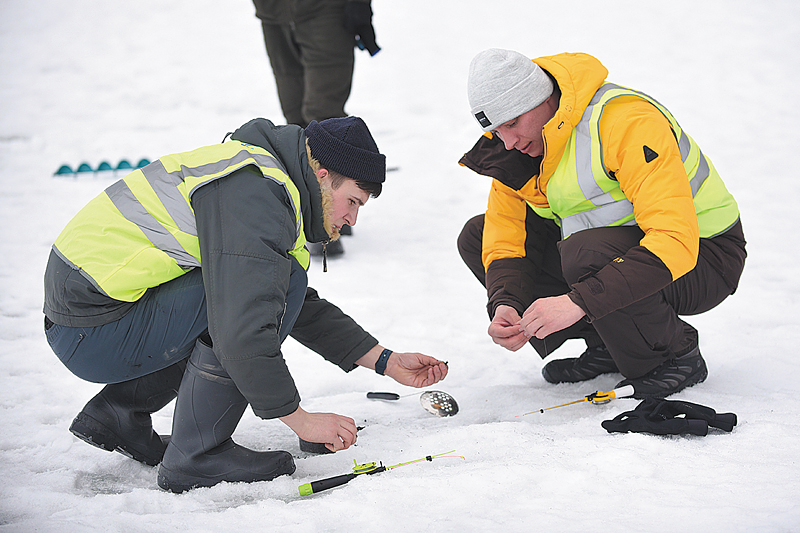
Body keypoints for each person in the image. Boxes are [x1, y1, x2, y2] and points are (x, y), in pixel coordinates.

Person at [43, 115, 448, 493]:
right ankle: (198, 455)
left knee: (269, 285)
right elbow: (245, 325)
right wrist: (300, 420)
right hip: (94, 325)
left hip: (92, 318)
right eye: (353, 201)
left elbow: (291, 301)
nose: (353, 220)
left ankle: (119, 414)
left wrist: (385, 360)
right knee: (252, 297)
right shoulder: (257, 192)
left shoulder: (265, 177)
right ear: (323, 177)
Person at [457, 49, 746, 399]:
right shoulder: (515, 148)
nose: (509, 142)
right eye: (496, 129)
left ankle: (672, 357)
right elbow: (506, 236)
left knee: (585, 252)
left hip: (705, 255)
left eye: (513, 123)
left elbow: (674, 239)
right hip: (612, 251)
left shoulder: (625, 121)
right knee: (478, 234)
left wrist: (578, 301)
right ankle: (608, 344)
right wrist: (506, 301)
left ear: (542, 99)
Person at [251, 0, 379, 129]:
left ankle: (331, 147)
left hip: (326, 12)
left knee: (324, 116)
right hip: (272, 13)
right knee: (294, 119)